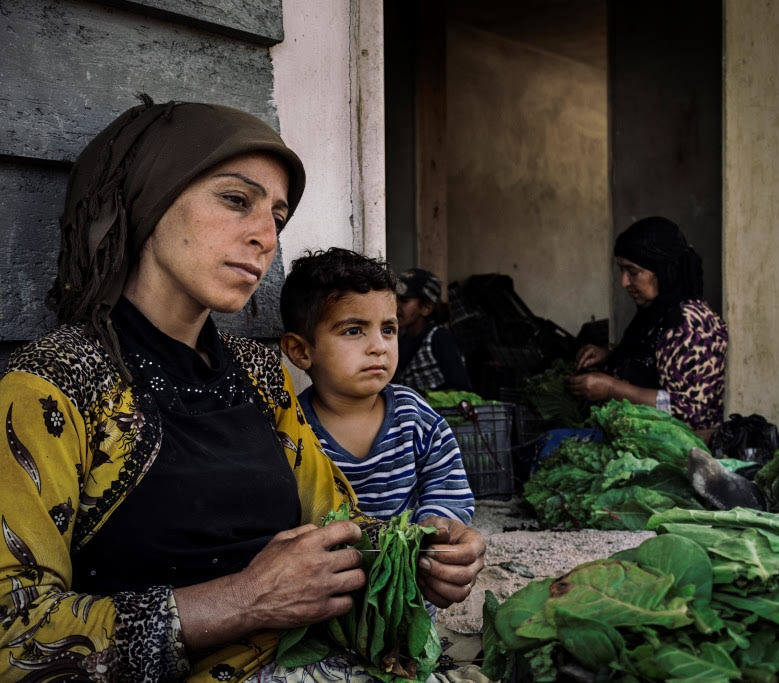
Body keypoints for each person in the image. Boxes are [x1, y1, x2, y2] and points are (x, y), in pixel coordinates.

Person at [0, 97, 485, 682]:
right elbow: (12, 631)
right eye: (236, 200)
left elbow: (333, 522)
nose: (265, 237)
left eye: (277, 217)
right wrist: (243, 599)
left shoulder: (260, 375)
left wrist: (420, 551)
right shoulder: (53, 388)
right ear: (149, 198)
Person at [279, 248, 475, 526]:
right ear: (300, 351)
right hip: (329, 567)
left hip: (405, 566)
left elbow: (449, 489)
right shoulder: (294, 433)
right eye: (353, 330)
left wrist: (437, 525)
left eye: (388, 330)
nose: (378, 347)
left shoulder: (413, 415)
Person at [567, 216, 728, 436]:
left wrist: (611, 389)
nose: (624, 282)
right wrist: (611, 356)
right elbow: (656, 361)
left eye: (632, 272)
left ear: (662, 270)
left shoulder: (691, 323)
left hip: (672, 455)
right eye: (621, 271)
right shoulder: (656, 312)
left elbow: (689, 412)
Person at [393, 268, 473, 393]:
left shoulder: (439, 337)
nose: (396, 305)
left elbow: (460, 386)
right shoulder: (401, 341)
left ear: (426, 308)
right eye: (395, 299)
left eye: (404, 301)